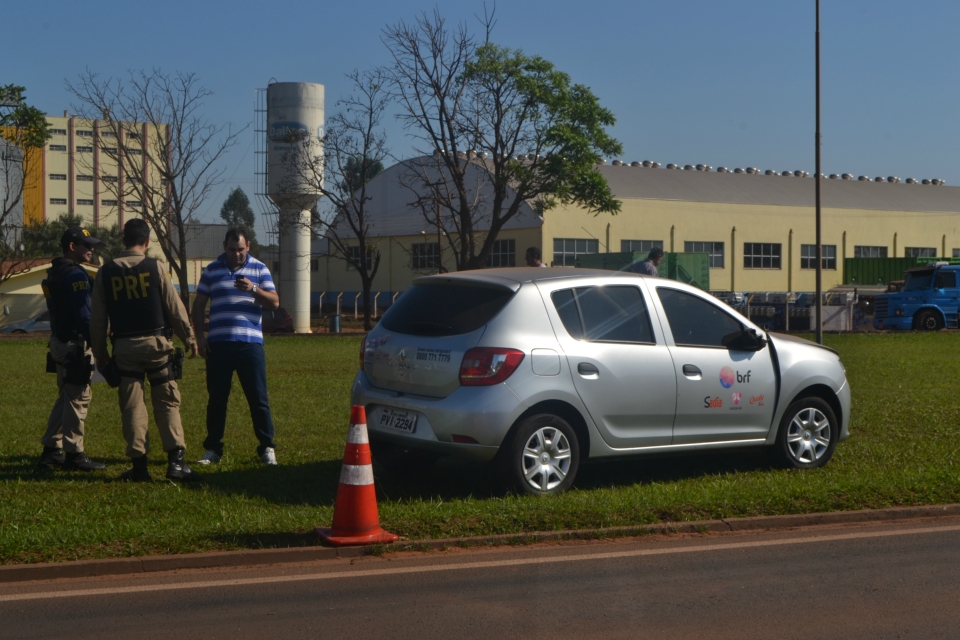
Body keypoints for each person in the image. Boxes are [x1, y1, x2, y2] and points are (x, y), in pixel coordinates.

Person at [89, 219, 199, 482]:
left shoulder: (105, 272)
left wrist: (100, 353)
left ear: (123, 240)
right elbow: (174, 309)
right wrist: (190, 338)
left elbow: (97, 319)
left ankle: (139, 467)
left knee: (132, 406)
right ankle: (176, 463)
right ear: (147, 242)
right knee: (167, 402)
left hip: (125, 350)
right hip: (157, 347)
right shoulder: (156, 267)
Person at [191, 228, 280, 467]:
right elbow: (198, 305)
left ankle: (267, 447)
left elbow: (274, 302)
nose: (237, 254)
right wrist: (200, 338)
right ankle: (213, 449)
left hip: (250, 345)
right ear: (224, 247)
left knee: (258, 398)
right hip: (218, 345)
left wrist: (253, 288)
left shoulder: (260, 269)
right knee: (217, 399)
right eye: (232, 249)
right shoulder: (212, 270)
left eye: (241, 249)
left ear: (248, 246)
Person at [38, 228, 107, 471]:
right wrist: (98, 346)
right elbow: (84, 316)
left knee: (66, 396)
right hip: (74, 345)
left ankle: (51, 449)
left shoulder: (55, 272)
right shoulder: (76, 275)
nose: (91, 249)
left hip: (59, 341)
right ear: (71, 246)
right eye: (85, 245)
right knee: (78, 397)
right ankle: (74, 454)